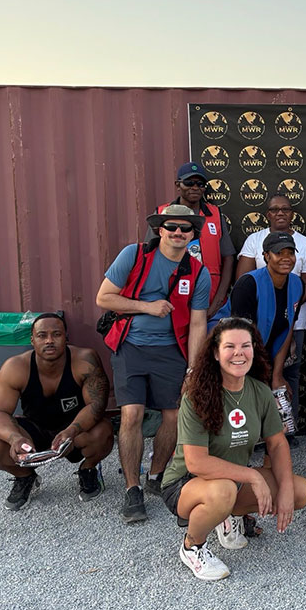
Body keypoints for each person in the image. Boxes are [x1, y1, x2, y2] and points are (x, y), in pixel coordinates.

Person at [160, 318, 306, 581]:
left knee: (300, 491)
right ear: (216, 354)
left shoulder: (259, 392)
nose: (239, 353)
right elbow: (196, 463)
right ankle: (192, 547)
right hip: (186, 483)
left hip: (233, 478)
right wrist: (253, 476)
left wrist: (284, 488)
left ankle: (229, 517)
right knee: (224, 490)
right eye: (230, 346)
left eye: (246, 345)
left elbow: (276, 443)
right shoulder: (197, 395)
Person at [97, 204, 210, 523]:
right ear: (160, 229)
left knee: (174, 416)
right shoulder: (133, 255)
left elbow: (199, 323)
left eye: (185, 228)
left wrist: (193, 369)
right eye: (171, 227)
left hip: (173, 351)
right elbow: (104, 298)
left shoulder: (198, 272)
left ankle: (156, 475)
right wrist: (146, 307)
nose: (178, 233)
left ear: (193, 234)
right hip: (130, 345)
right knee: (131, 414)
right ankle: (133, 490)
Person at [0, 313, 114, 510]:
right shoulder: (15, 367)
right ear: (32, 340)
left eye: (56, 334)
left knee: (103, 431)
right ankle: (25, 477)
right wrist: (14, 439)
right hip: (35, 431)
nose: (49, 341)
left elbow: (96, 406)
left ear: (66, 338)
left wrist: (72, 431)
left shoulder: (85, 359)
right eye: (42, 335)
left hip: (75, 431)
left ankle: (88, 469)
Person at [236, 195, 306, 431]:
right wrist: (275, 301)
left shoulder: (295, 281)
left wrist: (286, 303)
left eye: (289, 253)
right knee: (253, 378)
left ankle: (285, 430)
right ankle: (251, 434)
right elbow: (242, 281)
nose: (286, 258)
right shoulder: (254, 252)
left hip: (289, 323)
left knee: (285, 375)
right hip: (254, 332)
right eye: (275, 209)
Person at [153, 162, 236, 325]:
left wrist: (219, 299)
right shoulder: (163, 214)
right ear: (178, 185)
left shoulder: (215, 214)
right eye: (189, 183)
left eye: (200, 184)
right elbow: (150, 258)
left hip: (212, 302)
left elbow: (228, 258)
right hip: (172, 301)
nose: (195, 187)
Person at [228, 231, 304, 403]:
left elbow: (288, 329)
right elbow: (238, 338)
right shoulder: (248, 284)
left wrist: (276, 375)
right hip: (236, 357)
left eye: (290, 253)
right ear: (266, 256)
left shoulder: (297, 284)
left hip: (268, 357)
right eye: (279, 253)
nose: (286, 258)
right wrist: (261, 376)